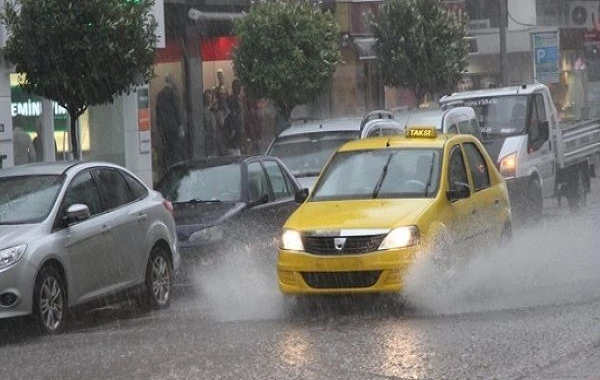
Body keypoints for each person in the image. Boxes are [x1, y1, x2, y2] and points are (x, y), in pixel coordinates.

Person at [156, 73, 184, 169]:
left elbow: (158, 113)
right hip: (173, 128)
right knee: (175, 153)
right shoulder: (173, 94)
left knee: (167, 153)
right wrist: (180, 126)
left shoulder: (160, 95)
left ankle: (169, 170)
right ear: (172, 81)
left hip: (164, 129)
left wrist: (159, 128)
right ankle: (175, 170)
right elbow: (177, 110)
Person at [223, 79, 244, 155]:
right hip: (233, 145)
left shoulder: (241, 99)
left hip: (238, 142)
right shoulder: (231, 100)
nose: (238, 89)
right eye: (236, 86)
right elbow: (232, 132)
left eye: (239, 87)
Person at [203, 89, 219, 157]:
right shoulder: (204, 110)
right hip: (207, 136)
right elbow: (206, 119)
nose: (209, 99)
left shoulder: (213, 110)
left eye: (210, 97)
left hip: (213, 136)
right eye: (207, 97)